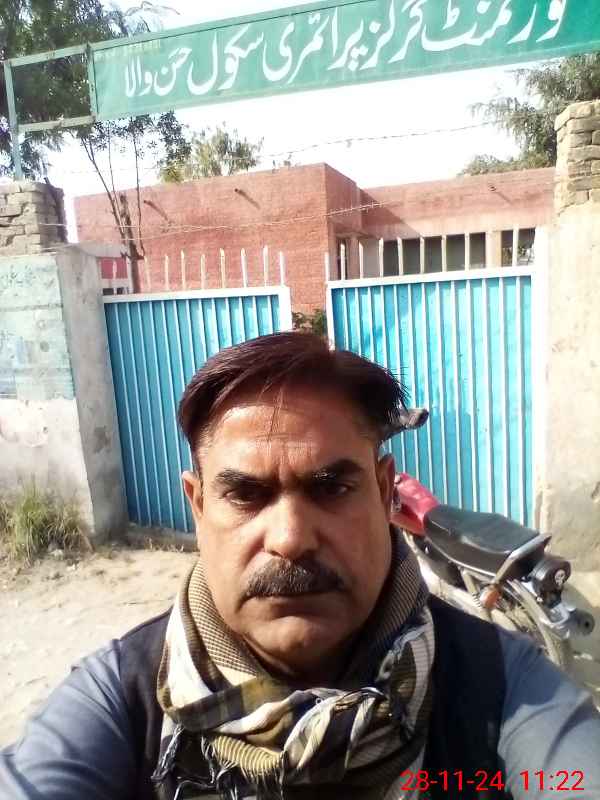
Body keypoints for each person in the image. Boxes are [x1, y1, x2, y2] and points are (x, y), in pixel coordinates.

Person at [1, 331, 599, 800]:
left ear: (384, 491)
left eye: (331, 488)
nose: (290, 538)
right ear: (198, 505)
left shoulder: (504, 688)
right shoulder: (120, 700)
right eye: (246, 494)